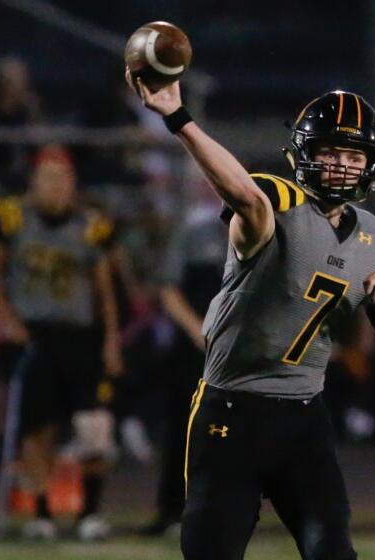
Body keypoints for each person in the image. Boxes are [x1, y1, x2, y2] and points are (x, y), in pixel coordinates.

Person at [127, 70, 375, 560]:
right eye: (330, 152)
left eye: (353, 156)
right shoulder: (277, 201)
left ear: (369, 165)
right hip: (231, 414)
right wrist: (179, 118)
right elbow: (243, 193)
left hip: (304, 421)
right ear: (305, 154)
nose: (340, 166)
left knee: (333, 552)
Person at [0, 146, 123, 541]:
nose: (55, 187)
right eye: (47, 178)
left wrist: (111, 340)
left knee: (95, 427)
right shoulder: (12, 220)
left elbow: (104, 289)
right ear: (33, 182)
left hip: (80, 334)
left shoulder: (90, 225)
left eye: (62, 178)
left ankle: (89, 512)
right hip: (34, 334)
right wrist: (7, 321)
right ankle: (42, 512)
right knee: (38, 429)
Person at [142, 200, 228, 536]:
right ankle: (173, 509)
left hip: (243, 352)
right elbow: (169, 289)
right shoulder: (194, 233)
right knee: (186, 429)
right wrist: (199, 332)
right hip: (196, 350)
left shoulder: (269, 235)